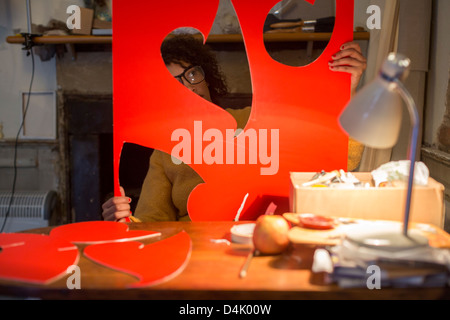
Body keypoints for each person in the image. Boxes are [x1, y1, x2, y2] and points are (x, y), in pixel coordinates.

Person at [102, 34, 367, 223]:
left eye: (192, 74)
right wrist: (124, 222)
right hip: (197, 260)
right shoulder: (163, 152)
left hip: (265, 249)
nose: (190, 88)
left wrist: (346, 90)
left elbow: (343, 157)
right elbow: (153, 223)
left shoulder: (253, 120)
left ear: (207, 76)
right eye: (173, 84)